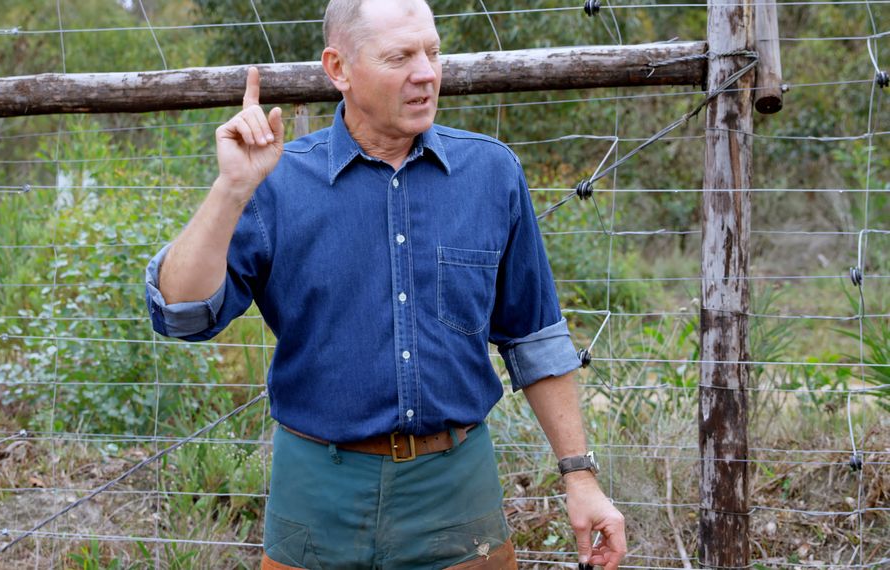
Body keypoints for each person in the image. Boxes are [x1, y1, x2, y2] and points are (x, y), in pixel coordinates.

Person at [145, 0, 626, 568]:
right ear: (338, 69)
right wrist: (231, 189)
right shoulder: (276, 184)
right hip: (317, 492)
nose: (426, 73)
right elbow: (181, 313)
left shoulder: (491, 174)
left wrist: (580, 476)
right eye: (399, 56)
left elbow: (535, 337)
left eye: (432, 52)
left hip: (456, 490)